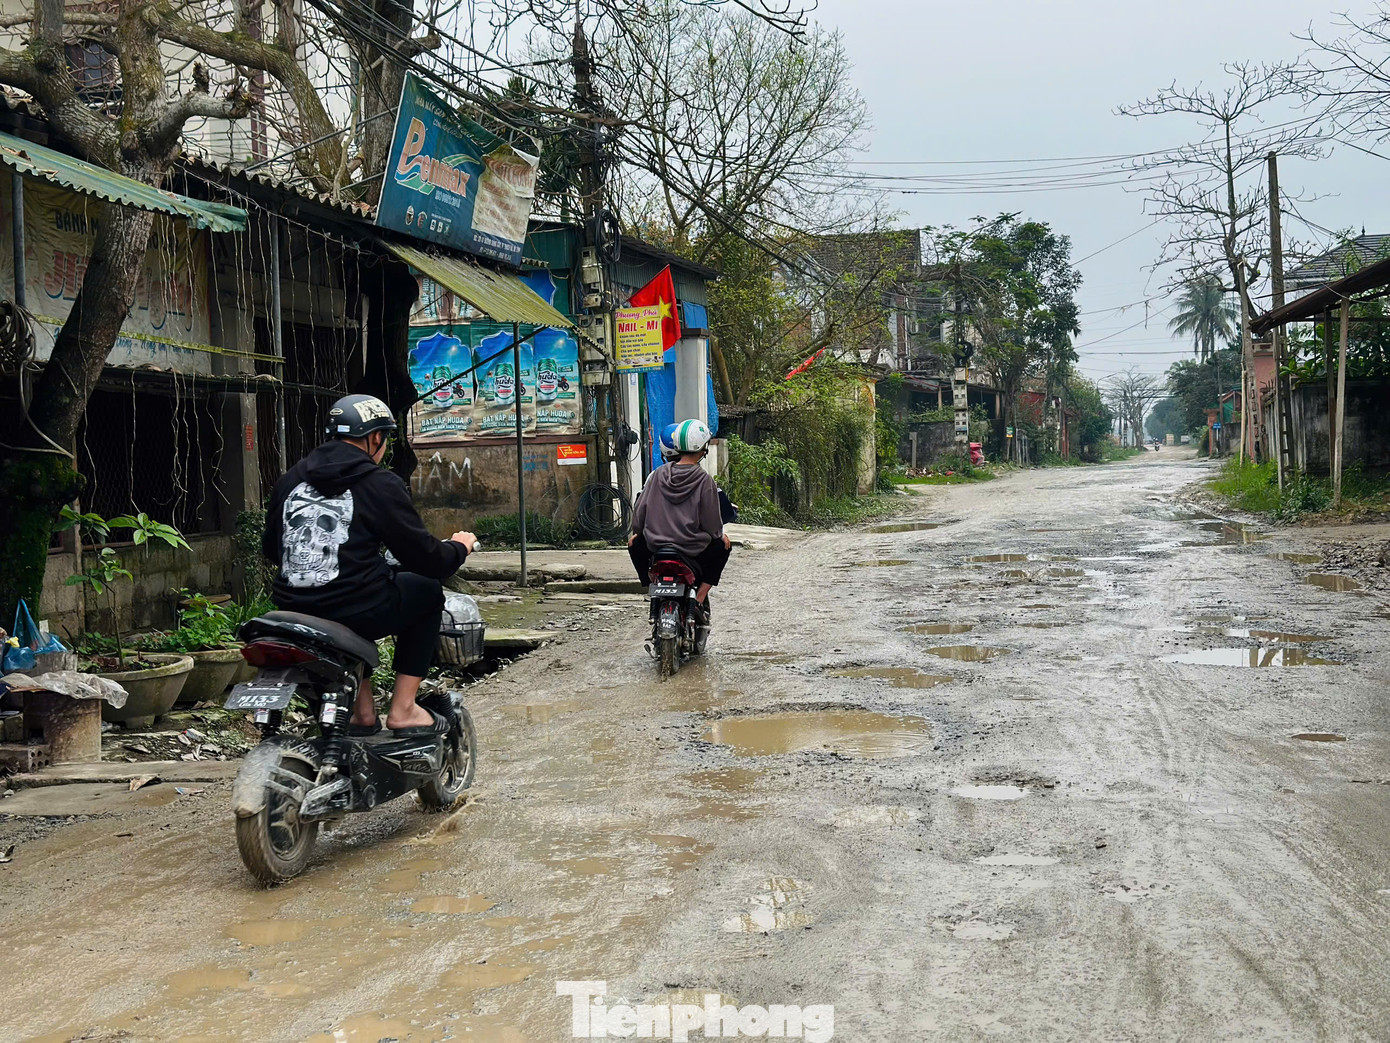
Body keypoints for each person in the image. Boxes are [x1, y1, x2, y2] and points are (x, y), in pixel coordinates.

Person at [262, 394, 477, 736]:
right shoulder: (379, 483)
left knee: (358, 591)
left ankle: (362, 712)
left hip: (292, 609)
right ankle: (404, 709)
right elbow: (426, 560)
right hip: (355, 608)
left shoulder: (288, 481)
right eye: (385, 439)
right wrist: (457, 547)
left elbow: (273, 551)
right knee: (424, 591)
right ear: (375, 438)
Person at [628, 418, 731, 613]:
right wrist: (719, 535)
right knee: (723, 546)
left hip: (656, 546)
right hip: (691, 549)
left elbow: (639, 514)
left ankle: (652, 585)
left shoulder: (657, 475)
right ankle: (699, 598)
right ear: (703, 449)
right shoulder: (704, 480)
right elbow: (711, 523)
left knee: (633, 543)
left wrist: (638, 532)